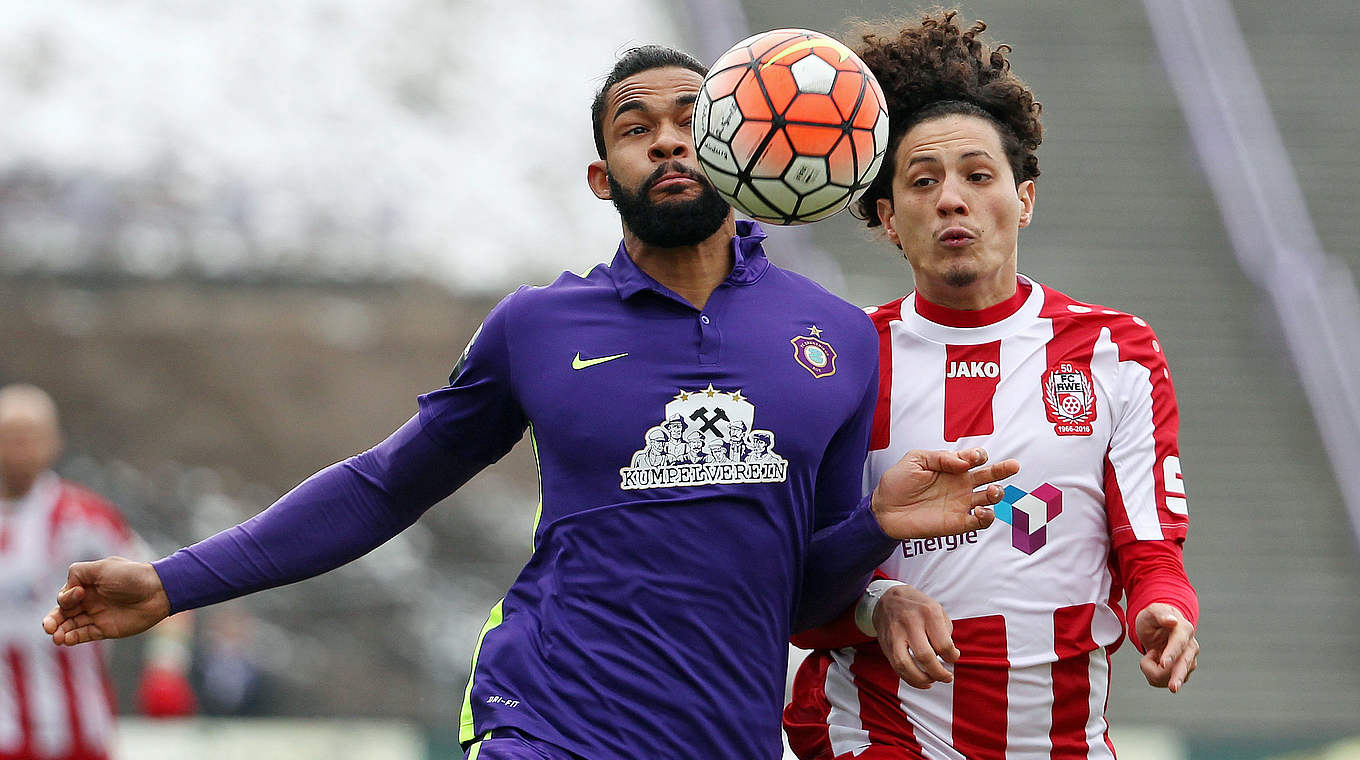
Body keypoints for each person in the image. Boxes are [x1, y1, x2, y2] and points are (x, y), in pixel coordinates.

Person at [42, 46, 1018, 760]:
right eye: (637, 129)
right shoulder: (538, 327)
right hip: (547, 719)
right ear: (603, 178)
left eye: (691, 117)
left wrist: (872, 531)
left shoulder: (836, 337)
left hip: (726, 736)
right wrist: (176, 583)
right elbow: (386, 486)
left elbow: (799, 597)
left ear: (740, 140)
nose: (669, 139)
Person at [783, 12, 1200, 760]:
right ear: (888, 218)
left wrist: (1163, 609)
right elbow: (793, 589)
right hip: (879, 728)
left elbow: (1152, 552)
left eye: (978, 176)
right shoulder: (843, 358)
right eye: (923, 181)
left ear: (1026, 198)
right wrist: (877, 601)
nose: (952, 199)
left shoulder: (1114, 350)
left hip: (1065, 735)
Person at [0, 384, 194, 760]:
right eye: (11, 436)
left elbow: (166, 588)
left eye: (32, 436)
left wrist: (166, 670)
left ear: (54, 442)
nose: (21, 448)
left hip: (79, 736)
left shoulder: (84, 518)